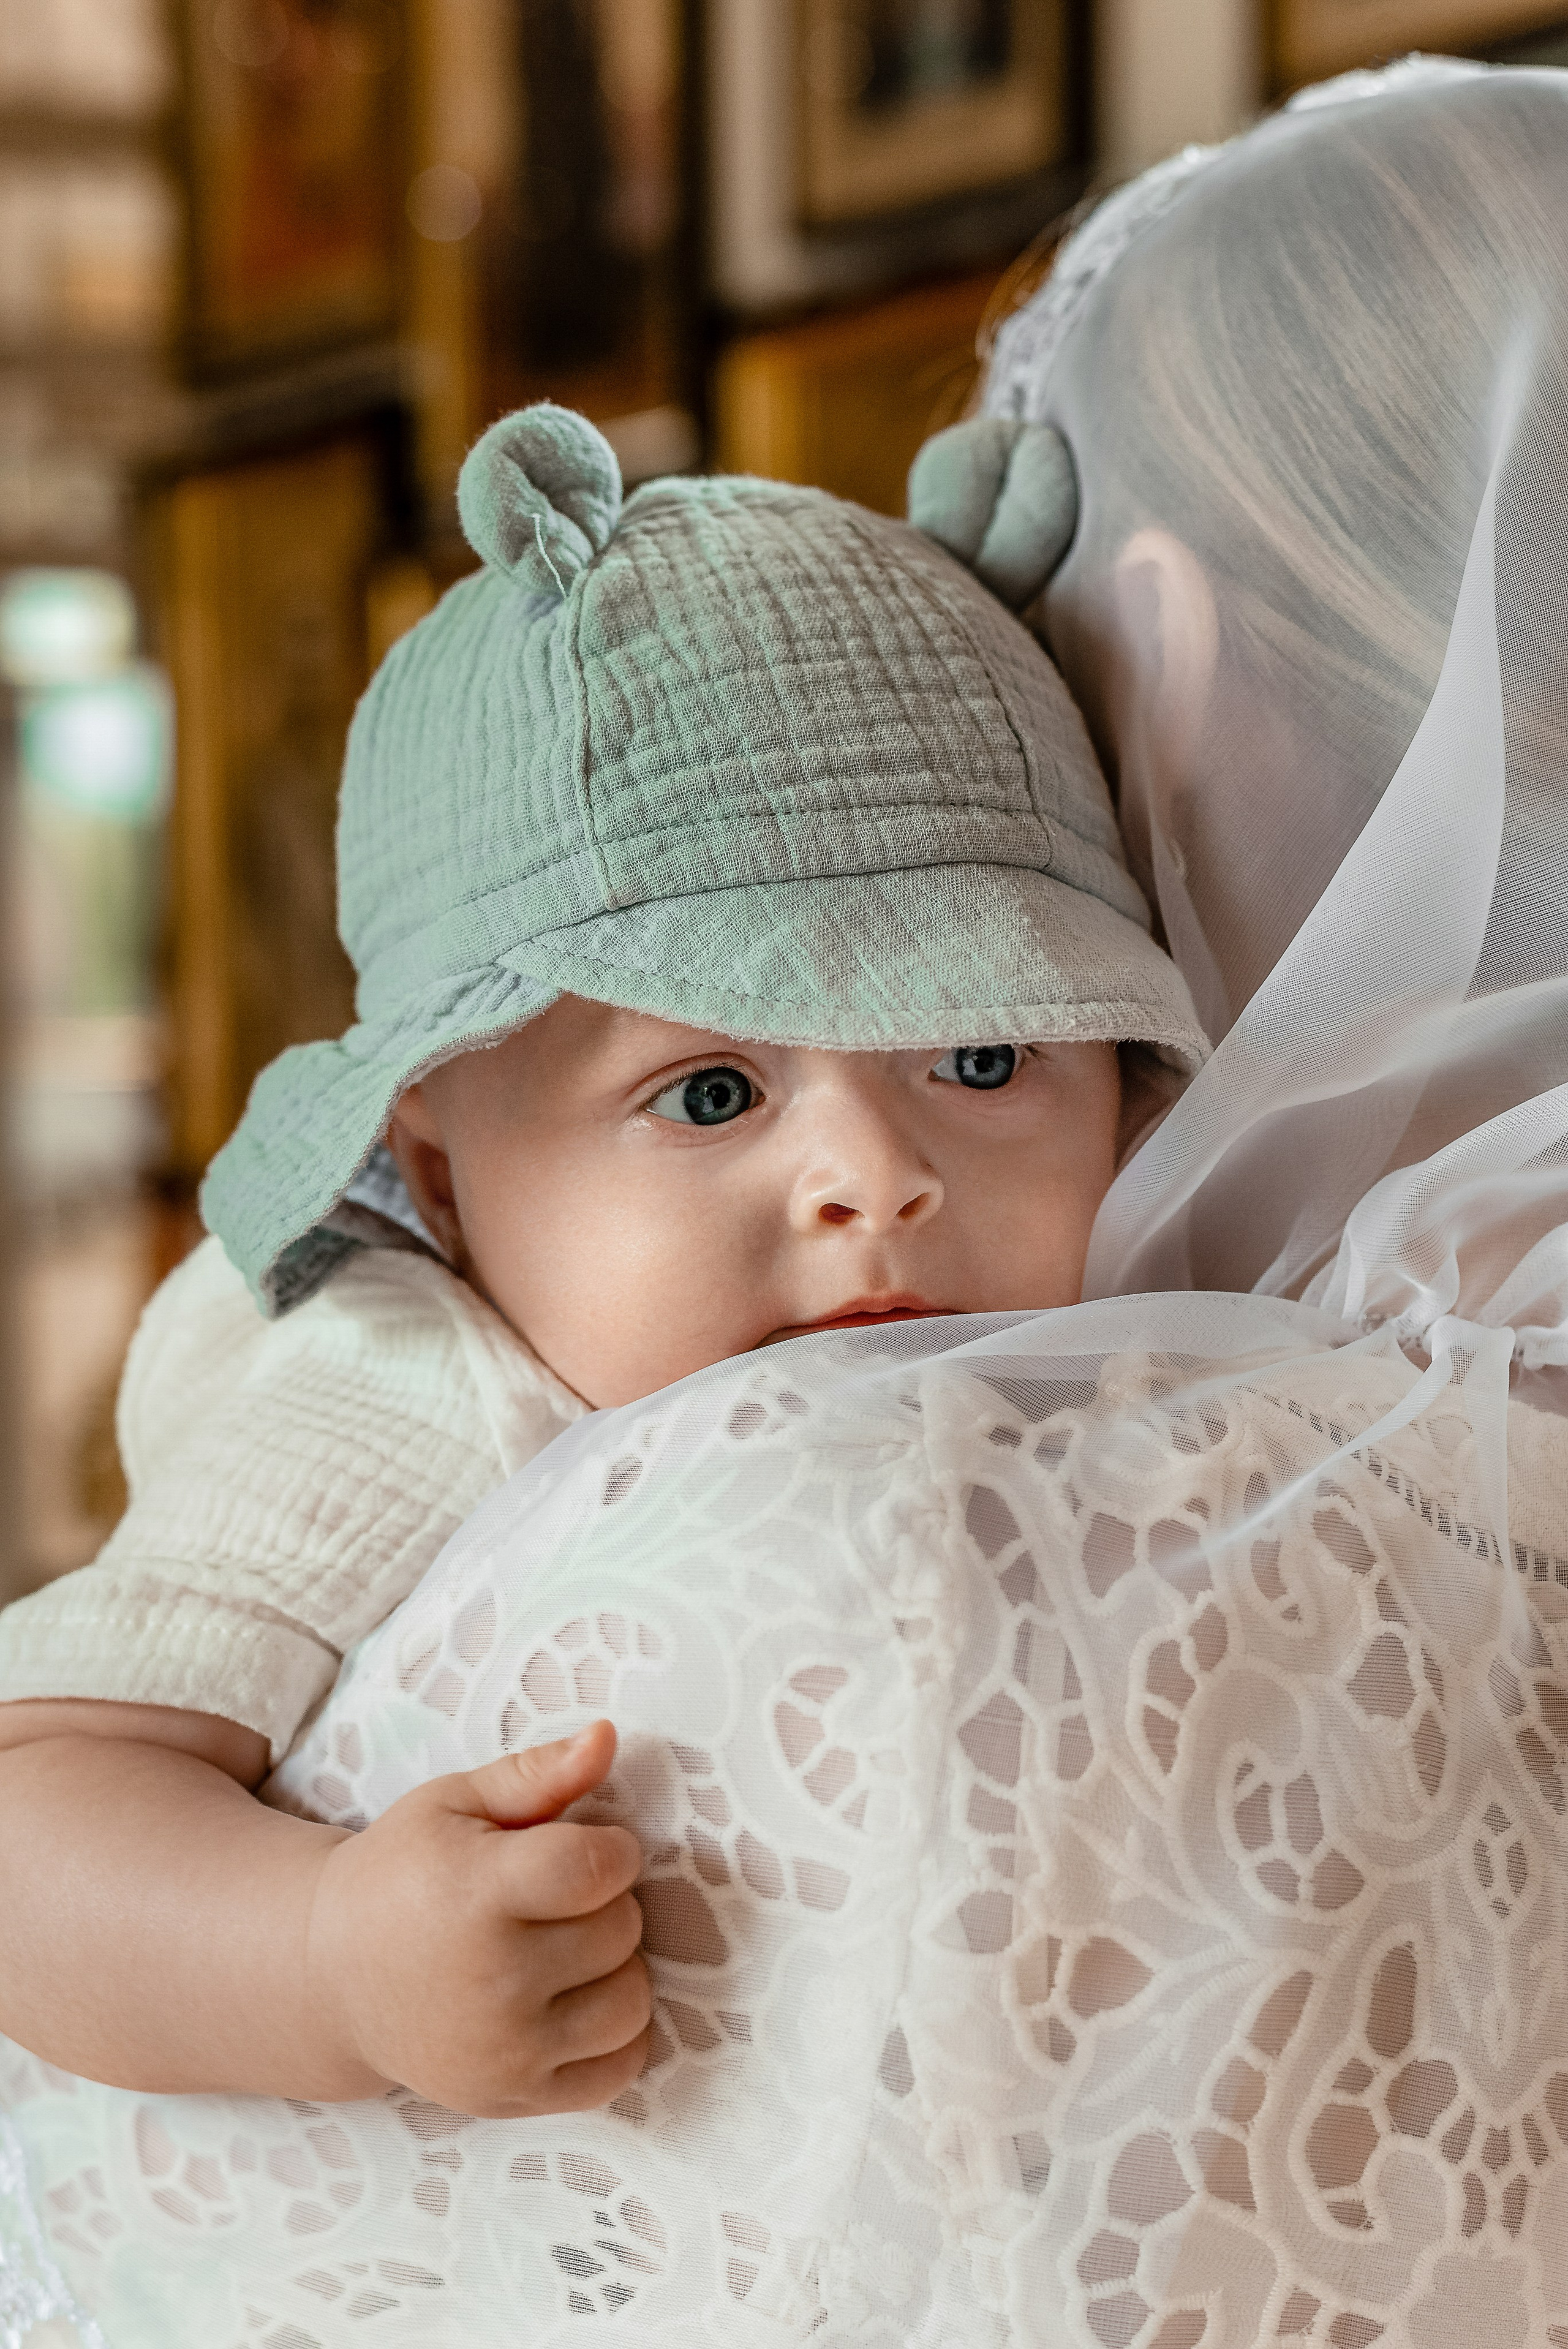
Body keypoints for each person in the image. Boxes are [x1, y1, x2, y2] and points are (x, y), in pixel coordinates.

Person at [0, 402, 1205, 2125]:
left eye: (990, 1060)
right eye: (711, 1090)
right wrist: (332, 1956)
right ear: (438, 1169)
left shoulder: (1138, 1316)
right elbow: (34, 1804)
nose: (878, 1179)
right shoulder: (406, 1374)